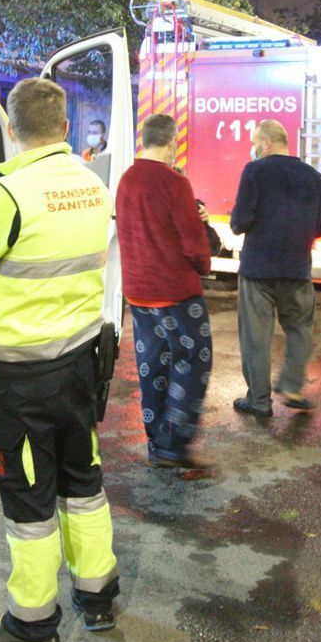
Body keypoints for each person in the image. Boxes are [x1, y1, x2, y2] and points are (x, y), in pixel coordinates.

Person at [0, 77, 120, 642]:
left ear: (13, 130)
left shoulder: (6, 194)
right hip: (78, 366)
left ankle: (32, 623)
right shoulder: (92, 185)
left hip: (23, 377)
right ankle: (97, 599)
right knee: (83, 486)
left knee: (28, 503)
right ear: (66, 127)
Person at [115, 112, 215, 471]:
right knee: (193, 359)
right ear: (171, 142)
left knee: (151, 364)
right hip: (174, 291)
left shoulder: (126, 180)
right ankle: (174, 441)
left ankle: (156, 440)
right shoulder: (174, 183)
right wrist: (205, 264)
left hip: (138, 292)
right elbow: (192, 244)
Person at [229, 118, 321, 418]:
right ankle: (291, 385)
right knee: (301, 328)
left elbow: (240, 222)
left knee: (256, 336)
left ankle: (259, 402)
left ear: (265, 143)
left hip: (258, 270)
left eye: (254, 143)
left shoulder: (255, 171)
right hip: (298, 269)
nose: (253, 149)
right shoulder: (312, 175)